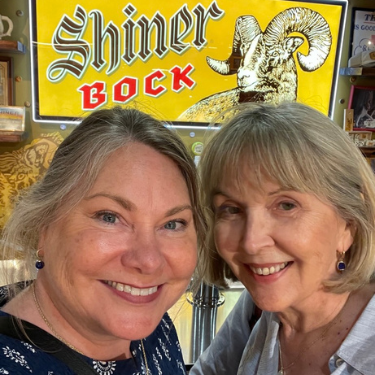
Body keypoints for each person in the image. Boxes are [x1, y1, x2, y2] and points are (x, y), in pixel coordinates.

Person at [0, 106, 206, 374]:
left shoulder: (156, 328)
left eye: (172, 223)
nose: (149, 261)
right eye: (109, 217)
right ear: (44, 225)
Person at [191, 102, 375, 375]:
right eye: (231, 209)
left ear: (348, 222)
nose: (251, 243)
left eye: (286, 205)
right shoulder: (254, 311)